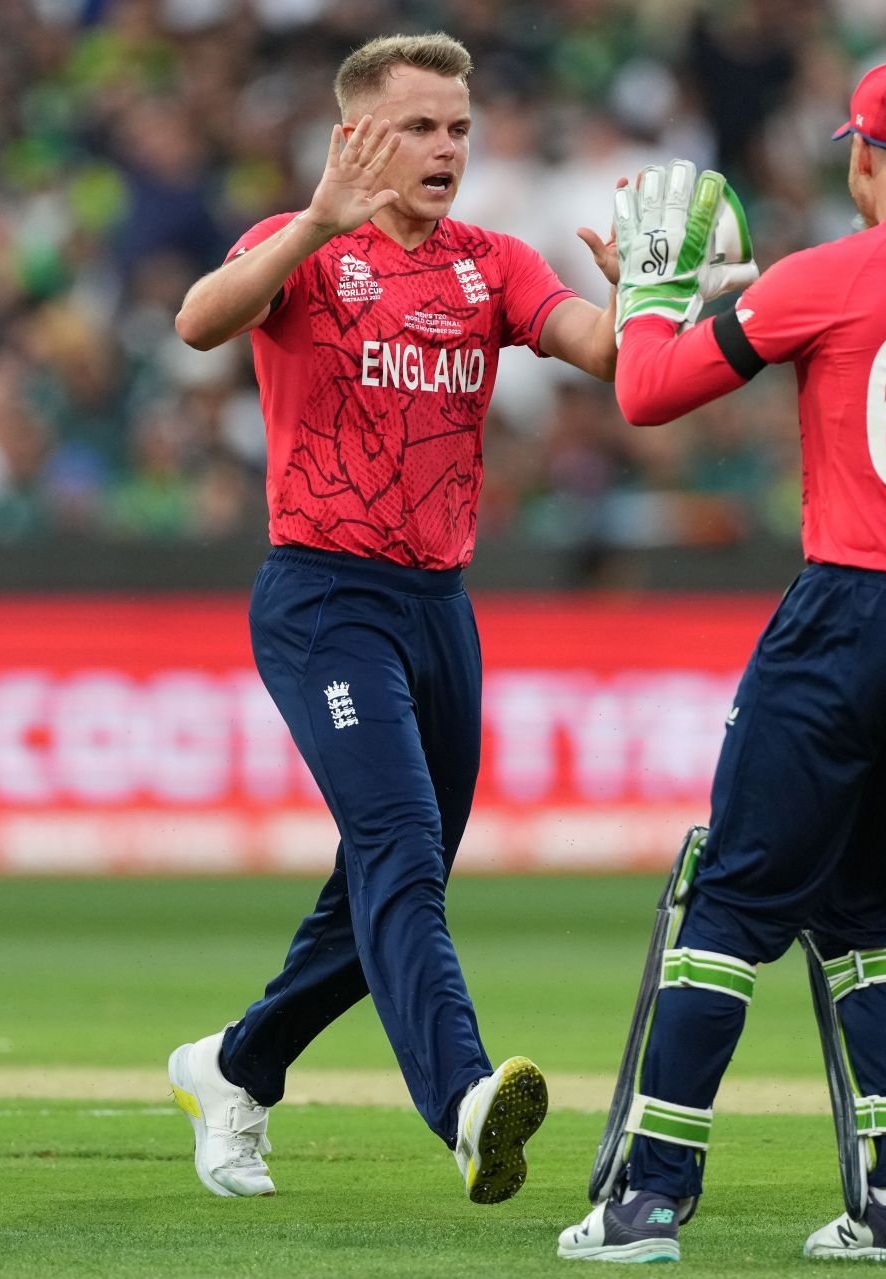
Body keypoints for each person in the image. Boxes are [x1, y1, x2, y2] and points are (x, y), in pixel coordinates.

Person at [558, 60, 886, 1264]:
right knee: (881, 920)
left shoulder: (832, 272)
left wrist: (652, 294)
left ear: (863, 157)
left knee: (730, 905)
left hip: (855, 607)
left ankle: (649, 1200)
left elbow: (646, 392)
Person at [166, 32, 627, 1207]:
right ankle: (467, 1102)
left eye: (459, 128)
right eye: (419, 126)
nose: (445, 149)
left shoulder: (492, 261)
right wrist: (316, 221)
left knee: (386, 877)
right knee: (403, 854)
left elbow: (603, 350)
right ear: (356, 136)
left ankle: (233, 1066)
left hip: (438, 608)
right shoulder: (302, 247)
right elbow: (198, 323)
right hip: (324, 598)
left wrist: (649, 297)